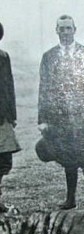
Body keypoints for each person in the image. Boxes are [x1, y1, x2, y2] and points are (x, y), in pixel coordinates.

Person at [35, 15, 84, 213]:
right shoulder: (49, 57)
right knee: (68, 160)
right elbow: (44, 89)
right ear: (57, 31)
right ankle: (70, 200)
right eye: (62, 29)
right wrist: (43, 119)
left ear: (75, 29)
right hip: (60, 120)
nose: (66, 33)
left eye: (69, 28)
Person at [0, 22, 21, 212]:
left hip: (2, 118)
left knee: (4, 160)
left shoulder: (3, 57)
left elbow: (9, 87)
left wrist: (12, 115)